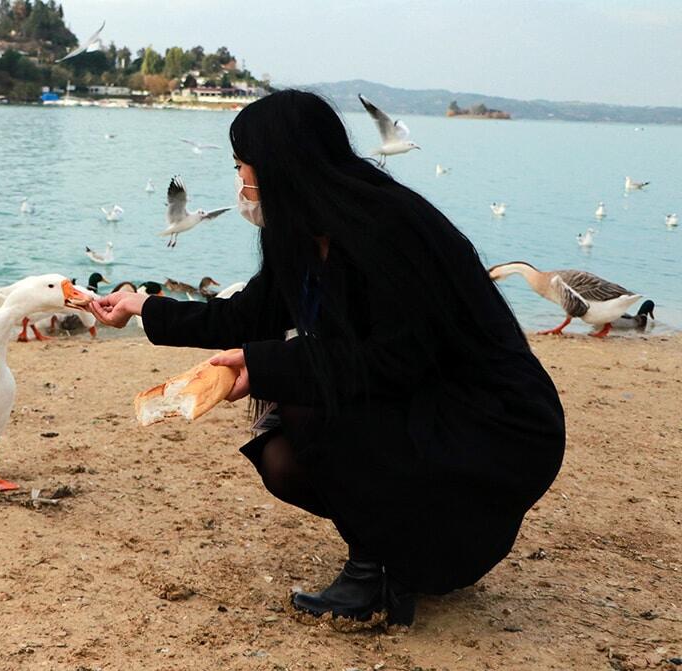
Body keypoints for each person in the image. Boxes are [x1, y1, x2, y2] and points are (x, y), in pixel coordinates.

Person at [89, 90, 565, 627]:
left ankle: (375, 573)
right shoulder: (303, 233)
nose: (241, 182)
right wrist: (143, 307)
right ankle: (394, 556)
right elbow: (249, 315)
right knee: (282, 451)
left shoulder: (387, 229)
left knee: (305, 403)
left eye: (242, 166)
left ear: (281, 166)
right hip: (423, 406)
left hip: (493, 423)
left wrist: (265, 365)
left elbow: (398, 360)